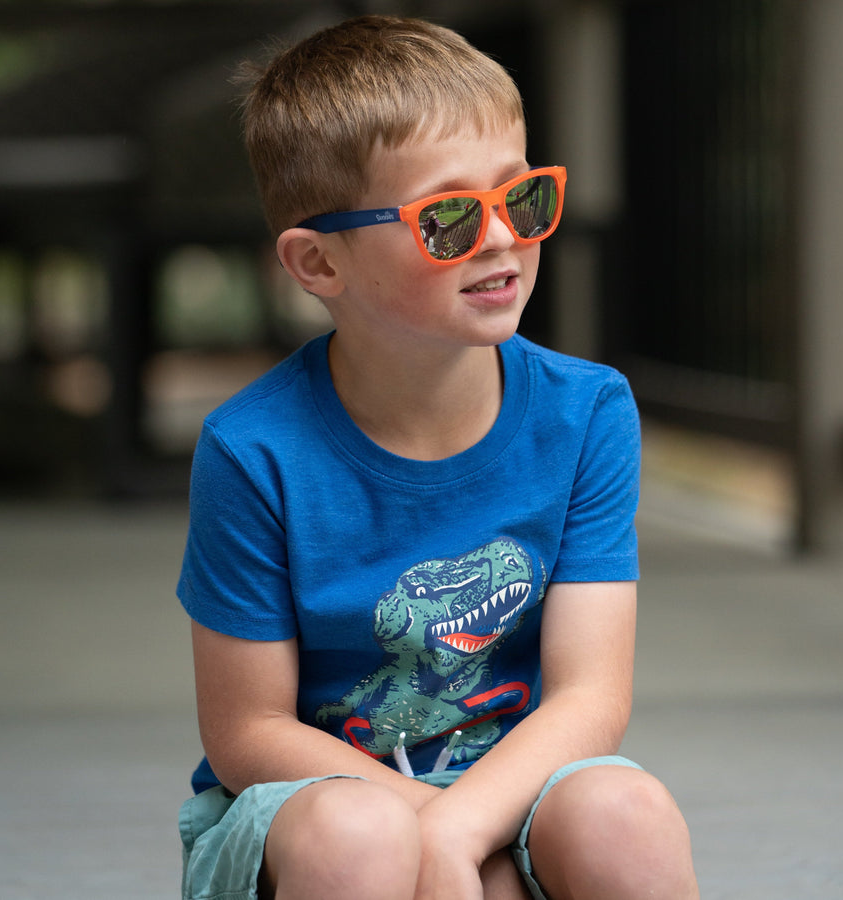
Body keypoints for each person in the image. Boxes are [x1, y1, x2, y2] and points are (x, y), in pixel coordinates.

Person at [176, 14, 699, 900]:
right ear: (319, 262)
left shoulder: (587, 412)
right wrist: (428, 836)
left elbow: (589, 697)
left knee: (627, 813)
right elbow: (249, 728)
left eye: (520, 197)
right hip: (317, 815)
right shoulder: (253, 449)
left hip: (510, 791)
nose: (501, 237)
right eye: (448, 217)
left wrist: (463, 830)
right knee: (363, 836)